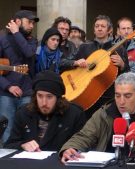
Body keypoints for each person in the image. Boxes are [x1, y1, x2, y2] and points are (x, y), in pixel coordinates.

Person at [59, 72, 135, 162]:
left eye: (127, 96)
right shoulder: (105, 112)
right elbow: (84, 136)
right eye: (117, 95)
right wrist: (70, 148)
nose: (121, 101)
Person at [4, 70, 86, 151]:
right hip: (29, 162)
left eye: (49, 97)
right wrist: (22, 146)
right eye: (40, 96)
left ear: (58, 98)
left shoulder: (74, 114)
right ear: (35, 96)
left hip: (59, 161)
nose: (44, 103)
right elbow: (9, 145)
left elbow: (83, 145)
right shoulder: (23, 113)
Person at [75, 14, 129, 118]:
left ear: (109, 30)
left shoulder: (119, 49)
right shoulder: (84, 48)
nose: (99, 29)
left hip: (109, 99)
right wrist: (75, 63)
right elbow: (70, 67)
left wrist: (123, 66)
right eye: (97, 26)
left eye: (103, 26)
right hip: (87, 97)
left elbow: (128, 76)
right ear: (94, 30)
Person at [0, 10, 39, 143]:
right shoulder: (2, 37)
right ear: (17, 21)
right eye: (29, 22)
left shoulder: (33, 41)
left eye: (33, 23)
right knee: (7, 130)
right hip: (6, 93)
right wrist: (9, 86)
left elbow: (28, 53)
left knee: (28, 129)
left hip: (27, 91)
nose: (32, 26)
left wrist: (16, 33)